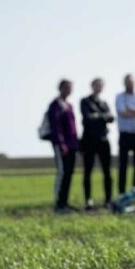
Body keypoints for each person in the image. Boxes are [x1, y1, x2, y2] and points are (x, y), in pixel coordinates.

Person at [80, 77, 115, 210]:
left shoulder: (104, 103)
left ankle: (108, 199)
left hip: (103, 140)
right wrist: (103, 117)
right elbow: (88, 118)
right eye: (96, 85)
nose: (98, 88)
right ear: (92, 86)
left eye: (101, 85)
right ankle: (88, 199)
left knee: (107, 171)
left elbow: (111, 118)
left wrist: (98, 116)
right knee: (88, 171)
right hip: (89, 140)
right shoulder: (85, 101)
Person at [48, 79, 79, 213]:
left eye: (70, 88)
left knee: (69, 174)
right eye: (66, 88)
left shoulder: (69, 105)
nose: (68, 90)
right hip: (62, 146)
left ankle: (65, 202)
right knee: (62, 172)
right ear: (60, 88)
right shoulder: (55, 105)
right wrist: (61, 144)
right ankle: (58, 203)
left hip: (72, 145)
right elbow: (56, 127)